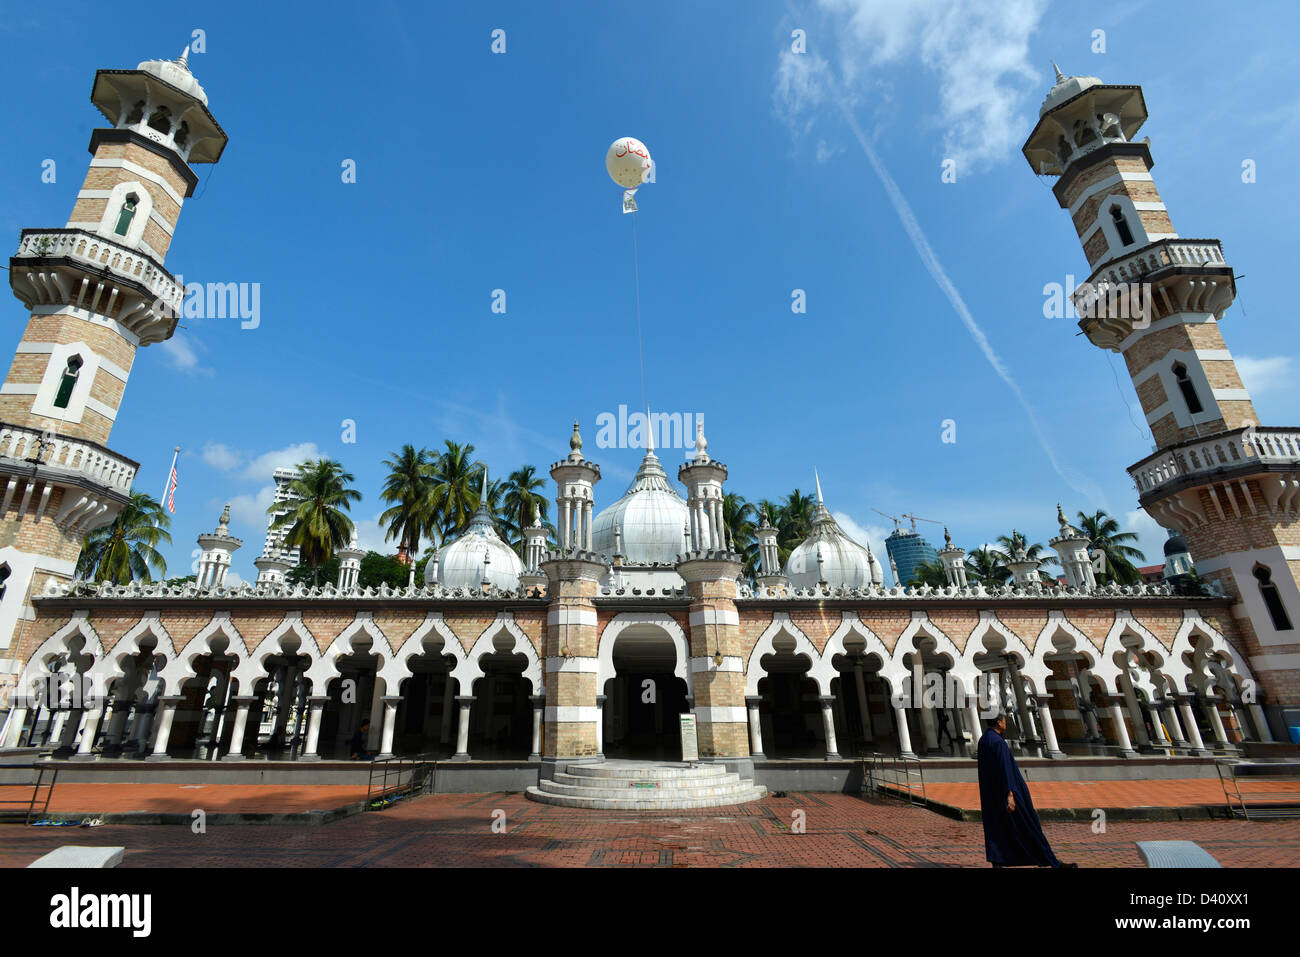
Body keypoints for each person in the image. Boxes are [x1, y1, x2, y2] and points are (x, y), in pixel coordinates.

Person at [976, 709, 1076, 868]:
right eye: (1004, 720)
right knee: (1029, 825)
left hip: (992, 794)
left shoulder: (984, 740)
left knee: (998, 828)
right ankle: (1051, 861)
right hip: (1009, 792)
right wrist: (1010, 794)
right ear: (999, 722)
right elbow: (1004, 769)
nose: (1005, 723)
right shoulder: (998, 742)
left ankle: (998, 861)